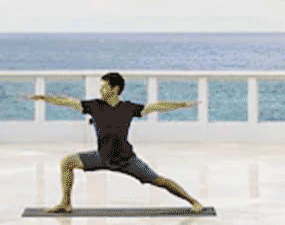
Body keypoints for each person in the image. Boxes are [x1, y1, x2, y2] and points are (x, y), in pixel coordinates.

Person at [28, 72, 207, 213]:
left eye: (104, 87)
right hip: (102, 157)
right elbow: (67, 102)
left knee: (158, 180)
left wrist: (182, 105)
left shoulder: (128, 108)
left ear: (115, 89)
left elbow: (156, 106)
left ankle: (192, 201)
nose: (101, 91)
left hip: (126, 160)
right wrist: (44, 98)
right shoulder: (95, 106)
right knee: (67, 162)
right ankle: (66, 203)